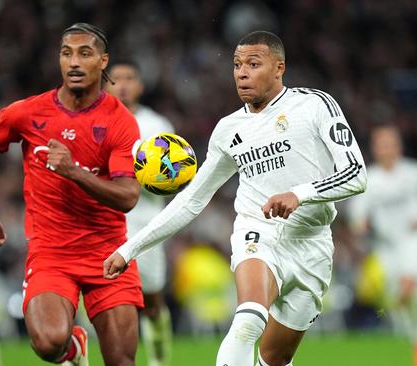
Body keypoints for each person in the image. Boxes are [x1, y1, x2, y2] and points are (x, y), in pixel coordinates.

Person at [104, 30, 367, 366]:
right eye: (237, 64)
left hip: (312, 244)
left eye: (253, 64)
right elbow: (191, 200)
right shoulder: (228, 130)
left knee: (274, 357)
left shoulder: (314, 104)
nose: (242, 72)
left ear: (278, 68)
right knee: (248, 319)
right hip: (258, 231)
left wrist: (300, 194)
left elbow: (356, 175)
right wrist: (129, 249)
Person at [0, 23, 143, 366]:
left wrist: (73, 171)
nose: (74, 62)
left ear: (102, 61)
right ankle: (72, 350)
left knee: (122, 361)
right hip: (51, 252)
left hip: (108, 252)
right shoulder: (30, 112)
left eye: (84, 53)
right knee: (49, 342)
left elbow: (128, 196)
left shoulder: (121, 121)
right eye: (67, 54)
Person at [348, 125, 417, 366]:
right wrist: (360, 223)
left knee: (408, 286)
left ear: (398, 146)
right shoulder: (369, 179)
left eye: (389, 143)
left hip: (415, 240)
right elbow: (356, 214)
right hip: (386, 246)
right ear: (374, 148)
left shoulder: (416, 173)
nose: (385, 149)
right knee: (402, 297)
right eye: (381, 144)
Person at [105, 60, 174, 366]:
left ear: (140, 86)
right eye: (115, 79)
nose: (122, 84)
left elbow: (172, 180)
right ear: (105, 85)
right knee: (110, 301)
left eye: (129, 78)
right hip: (105, 223)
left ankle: (159, 358)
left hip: (147, 222)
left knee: (153, 299)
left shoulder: (157, 126)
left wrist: (139, 176)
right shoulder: (95, 120)